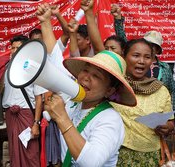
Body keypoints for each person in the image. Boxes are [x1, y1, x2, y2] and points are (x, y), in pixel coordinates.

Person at [36, 3, 137, 167]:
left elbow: (91, 162)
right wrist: (45, 22)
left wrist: (61, 117)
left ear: (110, 90)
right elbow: (53, 58)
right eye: (85, 70)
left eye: (96, 76)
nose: (85, 78)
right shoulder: (72, 102)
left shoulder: (110, 119)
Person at [113, 38, 175, 166]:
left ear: (152, 61)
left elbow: (170, 122)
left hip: (151, 158)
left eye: (147, 57)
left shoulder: (161, 90)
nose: (141, 61)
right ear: (124, 56)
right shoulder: (113, 86)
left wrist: (167, 127)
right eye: (136, 55)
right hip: (116, 156)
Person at [0, 34, 47, 167]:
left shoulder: (33, 68)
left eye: (19, 48)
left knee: (31, 151)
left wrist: (36, 123)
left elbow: (39, 98)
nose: (15, 51)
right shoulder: (5, 68)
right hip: (11, 115)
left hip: (27, 114)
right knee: (14, 151)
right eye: (12, 48)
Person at [111, 4, 175, 110]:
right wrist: (118, 19)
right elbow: (122, 38)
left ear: (158, 50)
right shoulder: (116, 86)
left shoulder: (165, 69)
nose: (141, 61)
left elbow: (171, 91)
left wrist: (169, 114)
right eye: (148, 43)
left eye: (154, 46)